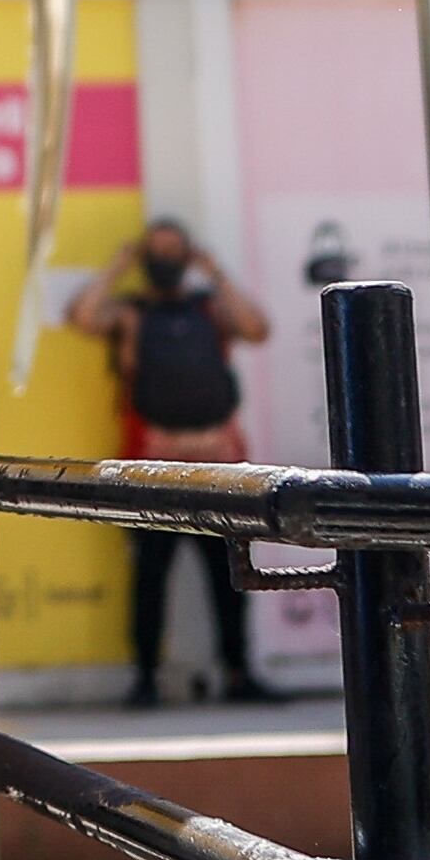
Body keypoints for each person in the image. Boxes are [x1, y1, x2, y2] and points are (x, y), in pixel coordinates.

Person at [67, 220, 281, 709]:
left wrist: (215, 272)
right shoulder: (132, 315)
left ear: (189, 256)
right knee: (150, 582)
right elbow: (82, 317)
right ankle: (145, 679)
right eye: (156, 251)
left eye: (174, 251)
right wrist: (117, 266)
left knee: (231, 580)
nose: (165, 258)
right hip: (151, 472)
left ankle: (238, 672)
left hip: (220, 472)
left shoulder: (211, 309)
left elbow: (258, 329)